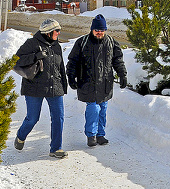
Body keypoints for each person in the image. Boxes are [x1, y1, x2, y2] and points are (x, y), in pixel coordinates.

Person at [67, 14, 128, 147]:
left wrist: (122, 74)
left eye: (102, 30)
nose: (99, 32)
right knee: (93, 108)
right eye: (97, 30)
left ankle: (100, 134)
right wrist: (71, 77)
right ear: (92, 29)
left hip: (105, 83)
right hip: (87, 82)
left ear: (105, 30)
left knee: (103, 109)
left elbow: (118, 60)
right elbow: (73, 61)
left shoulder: (111, 42)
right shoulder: (82, 42)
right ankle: (91, 135)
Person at [14, 19, 68, 158]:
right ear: (48, 33)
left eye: (59, 30)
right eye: (56, 31)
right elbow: (16, 61)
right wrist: (35, 56)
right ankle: (21, 135)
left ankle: (56, 148)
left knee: (58, 118)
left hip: (54, 87)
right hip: (34, 88)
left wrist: (63, 85)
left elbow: (60, 67)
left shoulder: (57, 46)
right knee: (32, 118)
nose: (59, 33)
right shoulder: (32, 43)